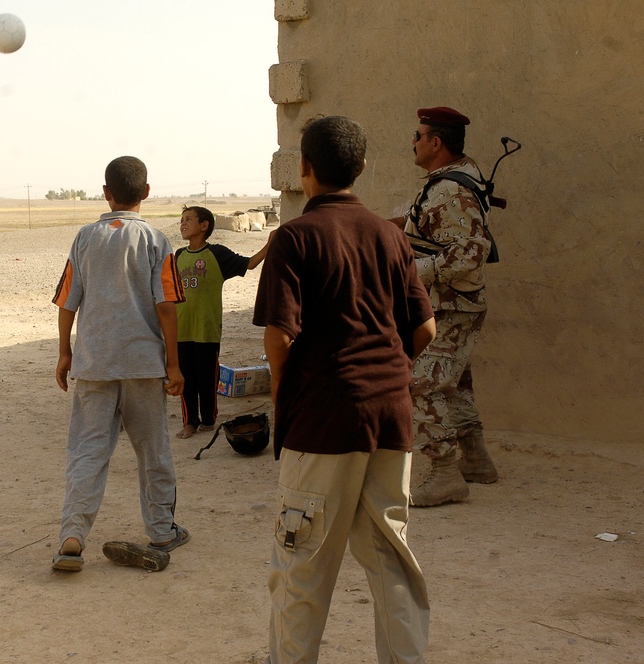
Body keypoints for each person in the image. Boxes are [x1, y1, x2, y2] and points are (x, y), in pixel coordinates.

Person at [254, 116, 436, 663]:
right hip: (390, 415)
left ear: (305, 168)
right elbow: (423, 329)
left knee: (301, 569)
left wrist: (286, 388)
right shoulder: (389, 234)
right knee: (390, 561)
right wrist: (387, 373)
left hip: (323, 419)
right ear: (360, 168)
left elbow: (279, 335)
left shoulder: (295, 237)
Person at [50, 156, 190, 572]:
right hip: (144, 364)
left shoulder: (85, 238)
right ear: (146, 192)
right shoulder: (156, 241)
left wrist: (64, 352)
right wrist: (174, 364)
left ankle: (72, 536)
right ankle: (163, 530)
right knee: (153, 449)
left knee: (88, 451)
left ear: (105, 192)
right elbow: (166, 308)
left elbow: (67, 301)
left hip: (94, 363)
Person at [396, 107, 499, 507]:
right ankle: (476, 461)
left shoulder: (451, 189)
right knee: (454, 383)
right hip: (457, 304)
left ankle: (444, 474)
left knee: (421, 383)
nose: (414, 142)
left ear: (435, 142)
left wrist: (411, 272)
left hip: (452, 305)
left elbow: (473, 251)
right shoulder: (453, 180)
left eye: (418, 135)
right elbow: (427, 224)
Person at [174, 206, 272, 439]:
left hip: (207, 330)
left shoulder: (217, 254)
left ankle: (208, 419)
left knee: (208, 378)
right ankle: (190, 422)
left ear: (204, 225)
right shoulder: (178, 256)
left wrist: (270, 245)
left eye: (189, 219)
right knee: (185, 379)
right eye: (181, 220)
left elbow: (249, 264)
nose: (183, 224)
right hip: (181, 330)